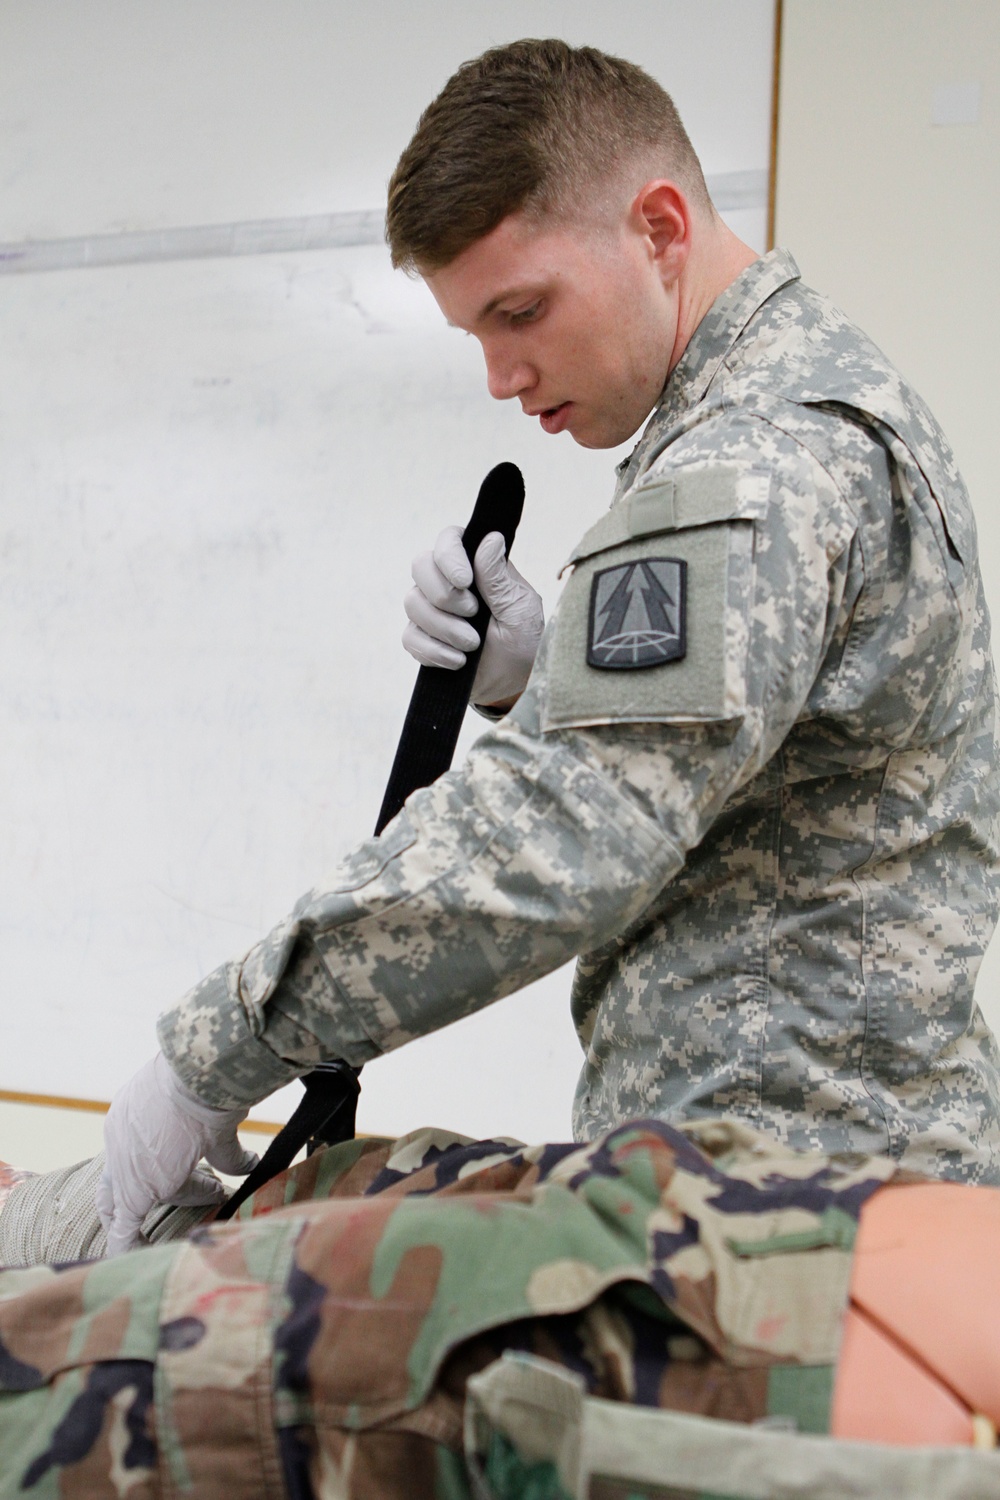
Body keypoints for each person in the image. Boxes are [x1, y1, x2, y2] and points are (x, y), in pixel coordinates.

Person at [97, 38, 1000, 1258]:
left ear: (659, 228)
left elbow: (565, 832)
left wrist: (215, 1047)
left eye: (520, 312)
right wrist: (542, 682)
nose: (501, 374)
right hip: (833, 1193)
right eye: (474, 330)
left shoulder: (758, 459)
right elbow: (735, 801)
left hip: (798, 1227)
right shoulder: (801, 410)